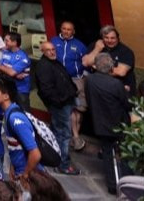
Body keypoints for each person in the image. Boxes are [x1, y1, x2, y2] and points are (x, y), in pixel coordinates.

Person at [85, 53, 132, 195]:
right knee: (124, 154)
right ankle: (127, 183)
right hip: (118, 124)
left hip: (100, 123)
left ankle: (112, 185)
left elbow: (89, 99)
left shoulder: (90, 80)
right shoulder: (116, 84)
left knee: (107, 153)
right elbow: (126, 104)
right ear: (111, 67)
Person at [32, 41, 79, 175]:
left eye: (53, 49)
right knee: (64, 134)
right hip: (60, 105)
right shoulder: (43, 66)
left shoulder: (54, 62)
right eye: (48, 50)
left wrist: (73, 91)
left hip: (65, 102)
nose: (52, 52)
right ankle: (62, 164)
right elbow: (46, 90)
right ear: (43, 51)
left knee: (56, 131)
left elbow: (64, 79)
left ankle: (51, 156)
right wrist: (59, 102)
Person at [0, 78, 41, 182]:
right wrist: (12, 166)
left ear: (6, 96)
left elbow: (35, 154)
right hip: (19, 171)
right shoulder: (9, 113)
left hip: (28, 175)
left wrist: (25, 175)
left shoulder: (15, 119)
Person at [49, 21, 87, 152]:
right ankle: (74, 137)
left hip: (76, 80)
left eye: (69, 29)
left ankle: (73, 136)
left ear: (73, 31)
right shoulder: (53, 41)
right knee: (69, 109)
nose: (66, 31)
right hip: (60, 80)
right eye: (64, 29)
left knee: (79, 109)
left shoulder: (80, 45)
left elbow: (86, 62)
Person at [83, 25, 136, 95]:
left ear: (118, 38)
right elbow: (85, 62)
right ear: (102, 38)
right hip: (101, 88)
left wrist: (97, 68)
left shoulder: (125, 51)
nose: (109, 40)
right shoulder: (96, 45)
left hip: (122, 88)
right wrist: (97, 49)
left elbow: (121, 72)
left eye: (113, 38)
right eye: (106, 38)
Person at [0, 32, 31, 111]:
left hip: (21, 90)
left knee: (24, 112)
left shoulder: (22, 57)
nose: (4, 43)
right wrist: (12, 73)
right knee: (10, 111)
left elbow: (11, 72)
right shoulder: (6, 52)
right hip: (8, 88)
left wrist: (6, 70)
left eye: (7, 41)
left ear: (14, 43)